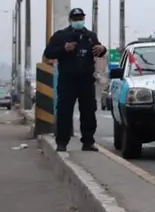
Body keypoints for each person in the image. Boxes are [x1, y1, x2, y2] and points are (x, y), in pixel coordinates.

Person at [43, 8, 107, 152]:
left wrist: (102, 49)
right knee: (64, 111)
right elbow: (48, 53)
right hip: (67, 80)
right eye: (76, 19)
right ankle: (62, 142)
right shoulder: (61, 36)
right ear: (70, 20)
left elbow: (100, 50)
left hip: (86, 80)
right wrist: (63, 49)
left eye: (81, 18)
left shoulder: (90, 36)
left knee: (89, 111)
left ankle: (88, 141)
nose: (79, 21)